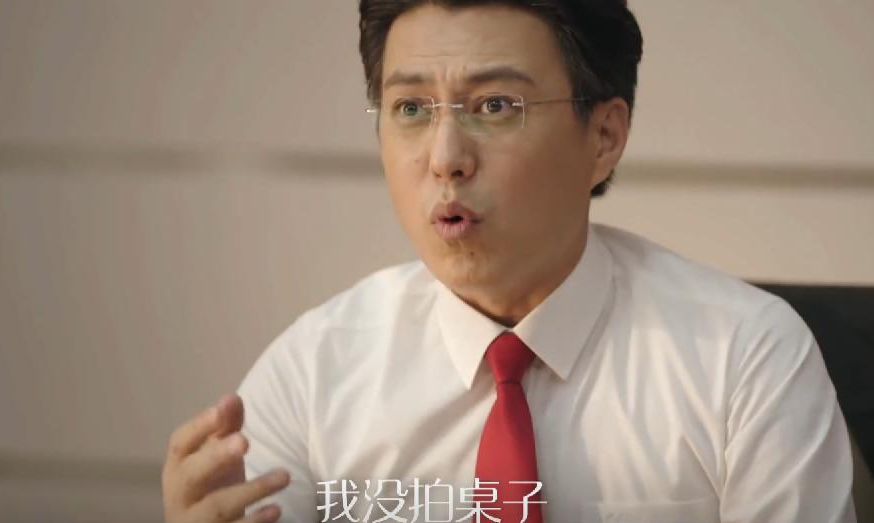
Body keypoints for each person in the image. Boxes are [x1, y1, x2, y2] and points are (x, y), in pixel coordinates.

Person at [161, 1, 857, 522]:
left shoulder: (745, 359)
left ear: (604, 136)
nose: (444, 158)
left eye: (494, 105)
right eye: (410, 108)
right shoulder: (314, 372)